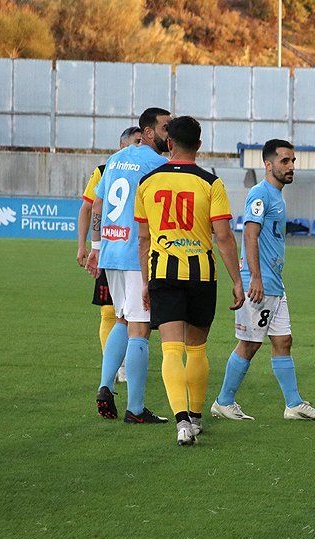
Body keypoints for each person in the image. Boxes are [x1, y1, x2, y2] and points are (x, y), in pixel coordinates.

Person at [134, 115, 244, 445]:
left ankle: (181, 422)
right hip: (201, 275)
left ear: (169, 144)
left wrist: (145, 281)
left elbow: (143, 239)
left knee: (170, 349)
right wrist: (237, 281)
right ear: (199, 145)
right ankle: (195, 417)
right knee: (196, 349)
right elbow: (223, 237)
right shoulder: (211, 183)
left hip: (163, 274)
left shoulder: (148, 182)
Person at [211, 139, 315, 424]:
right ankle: (223, 402)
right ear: (268, 164)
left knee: (283, 341)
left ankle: (293, 404)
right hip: (259, 284)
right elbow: (250, 235)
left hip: (275, 284)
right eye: (285, 161)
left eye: (292, 161)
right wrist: (256, 279)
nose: (291, 167)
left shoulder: (277, 196)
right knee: (249, 344)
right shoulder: (260, 194)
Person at [86, 108, 170, 425]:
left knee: (122, 319)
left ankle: (106, 385)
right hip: (136, 254)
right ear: (148, 132)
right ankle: (135, 409)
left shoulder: (116, 159)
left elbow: (98, 202)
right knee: (140, 328)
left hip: (111, 249)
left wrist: (95, 247)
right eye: (165, 127)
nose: (169, 133)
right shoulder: (157, 164)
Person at [76, 126, 142, 383]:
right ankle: (116, 365)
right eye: (135, 142)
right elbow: (89, 207)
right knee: (110, 312)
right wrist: (85, 245)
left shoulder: (148, 167)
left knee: (132, 315)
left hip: (134, 251)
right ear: (122, 145)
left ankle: (124, 364)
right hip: (111, 249)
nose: (140, 146)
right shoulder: (104, 171)